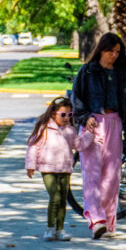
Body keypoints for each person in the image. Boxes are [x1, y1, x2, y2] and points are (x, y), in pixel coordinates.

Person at [71, 32, 126, 239]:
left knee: (111, 176)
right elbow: (77, 99)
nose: (114, 55)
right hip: (93, 126)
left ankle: (108, 223)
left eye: (117, 52)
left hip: (115, 124)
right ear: (101, 49)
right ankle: (96, 220)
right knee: (92, 176)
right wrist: (85, 118)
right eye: (110, 51)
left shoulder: (122, 74)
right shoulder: (87, 71)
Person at [25, 97, 79, 241]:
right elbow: (33, 146)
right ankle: (50, 229)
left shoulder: (70, 130)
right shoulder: (44, 128)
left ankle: (59, 230)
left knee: (62, 200)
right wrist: (30, 165)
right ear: (54, 114)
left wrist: (91, 134)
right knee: (55, 197)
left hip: (65, 169)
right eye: (63, 114)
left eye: (69, 115)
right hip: (48, 169)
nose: (66, 118)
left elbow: (79, 145)